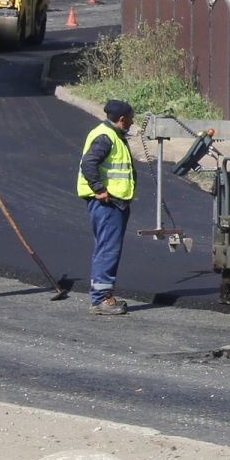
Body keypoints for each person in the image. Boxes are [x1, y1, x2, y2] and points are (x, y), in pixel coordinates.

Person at [76, 99, 136, 315]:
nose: (131, 122)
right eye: (130, 119)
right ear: (121, 119)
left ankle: (102, 296)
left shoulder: (111, 134)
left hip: (113, 202)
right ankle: (101, 299)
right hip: (107, 203)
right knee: (107, 249)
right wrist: (100, 189)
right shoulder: (106, 136)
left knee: (106, 248)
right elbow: (89, 163)